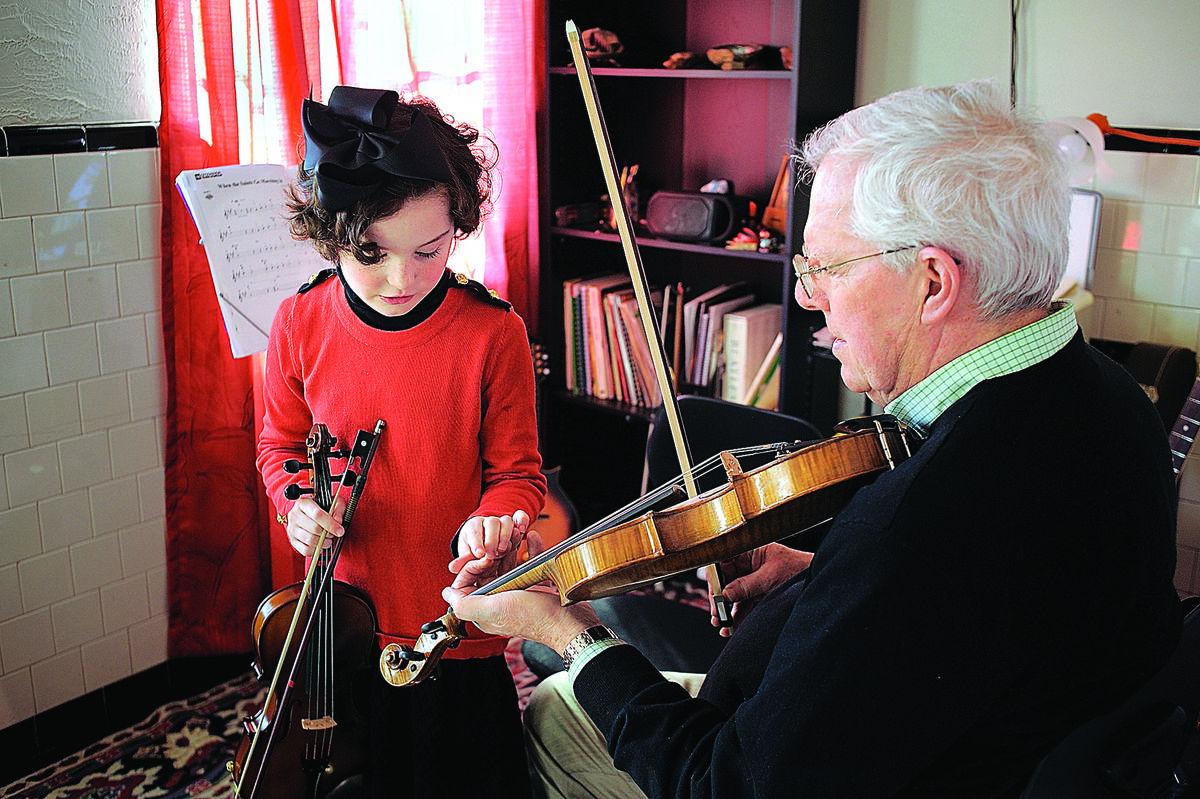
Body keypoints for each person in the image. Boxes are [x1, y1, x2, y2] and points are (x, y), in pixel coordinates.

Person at [444, 80, 1182, 797]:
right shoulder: (1107, 394)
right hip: (967, 740)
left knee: (549, 711)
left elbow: (722, 783)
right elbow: (987, 610)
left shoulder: (924, 522)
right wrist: (821, 578)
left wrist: (569, 631)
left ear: (933, 281)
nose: (803, 293)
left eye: (826, 264)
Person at [256, 85, 546, 798]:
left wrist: (497, 517)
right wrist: (297, 504)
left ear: (458, 227)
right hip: (348, 624)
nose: (401, 279)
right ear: (331, 235)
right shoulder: (298, 324)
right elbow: (279, 448)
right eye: (372, 252)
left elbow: (519, 473)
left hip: (458, 624)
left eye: (429, 250)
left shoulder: (494, 331)